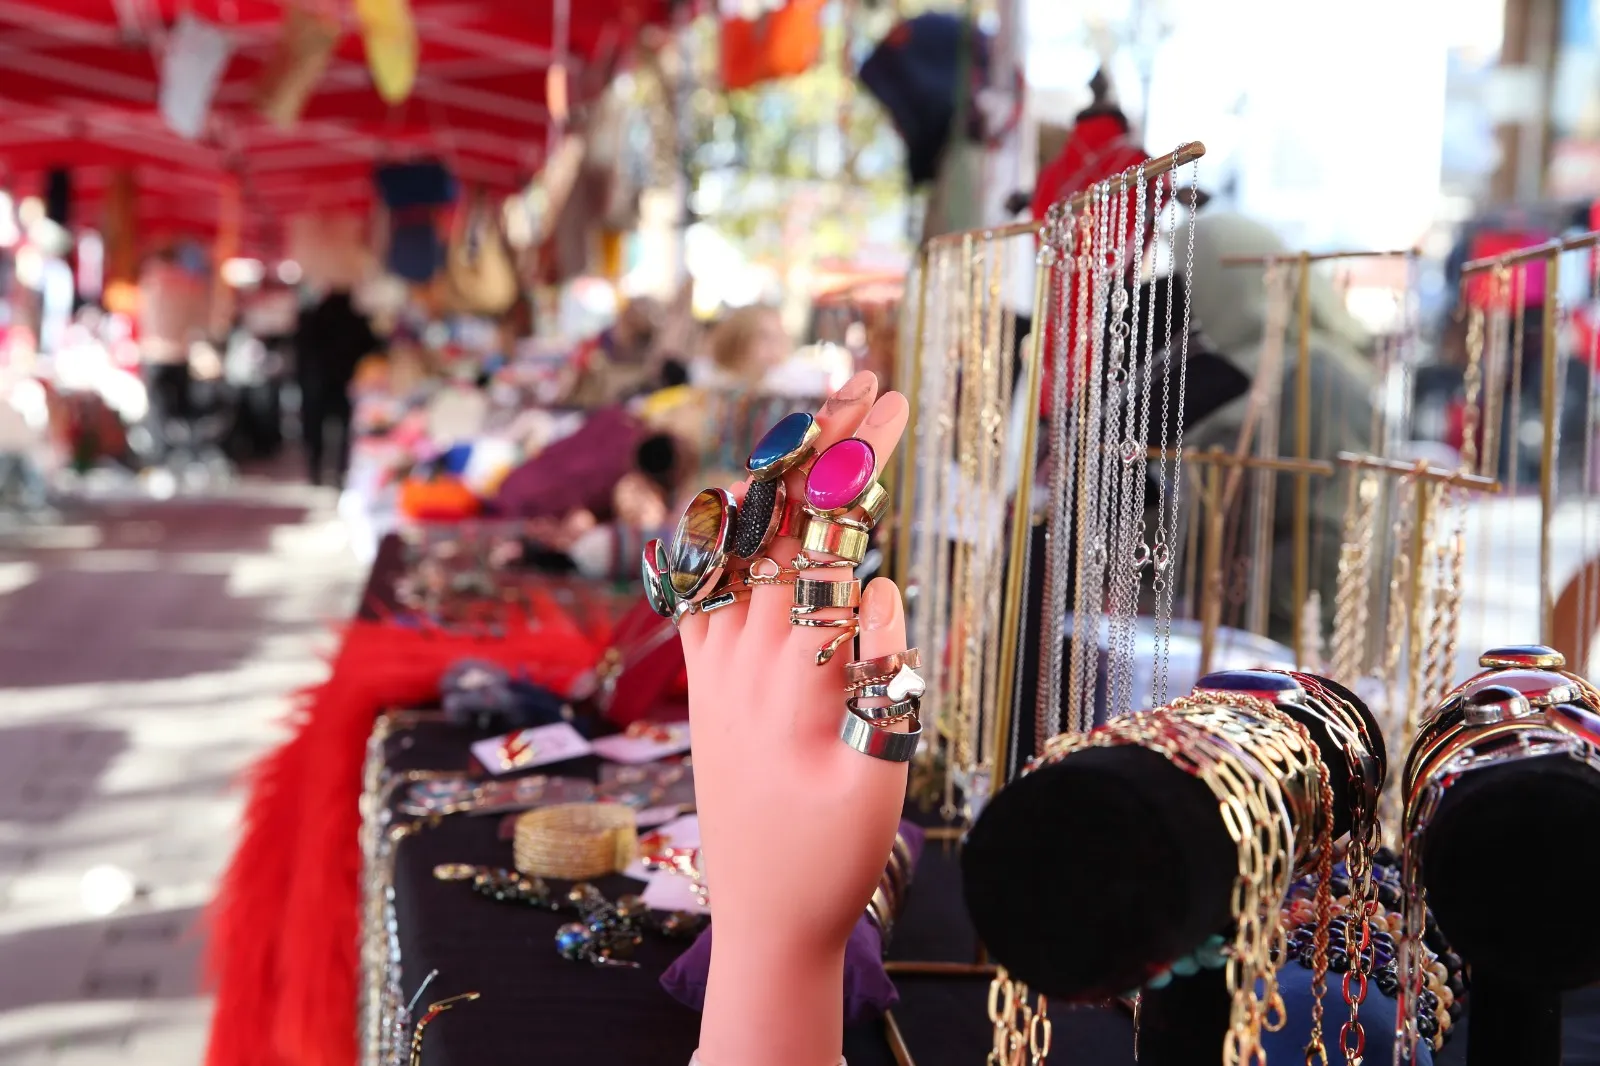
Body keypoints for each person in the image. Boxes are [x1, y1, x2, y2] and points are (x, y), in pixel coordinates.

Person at [1182, 211, 1379, 645]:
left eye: (1184, 284)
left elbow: (1333, 537)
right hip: (1209, 637)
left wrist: (1227, 597)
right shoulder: (1207, 376)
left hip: (1278, 654)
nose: (1175, 302)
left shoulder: (1318, 378)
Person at [294, 289, 381, 487]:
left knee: (315, 429)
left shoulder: (312, 318)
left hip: (316, 384)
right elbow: (371, 346)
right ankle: (339, 472)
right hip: (343, 383)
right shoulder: (353, 321)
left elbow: (300, 352)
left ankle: (316, 469)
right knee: (343, 430)